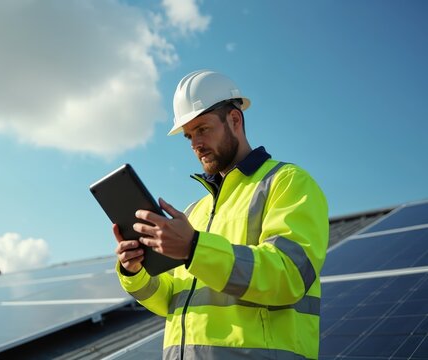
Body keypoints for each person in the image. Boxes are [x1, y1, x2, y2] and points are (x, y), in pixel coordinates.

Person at [114, 70, 328, 359]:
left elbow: (290, 277)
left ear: (235, 120)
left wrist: (194, 248)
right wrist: (134, 272)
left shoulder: (287, 182)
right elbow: (171, 301)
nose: (195, 144)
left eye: (202, 129)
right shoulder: (194, 212)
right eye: (189, 136)